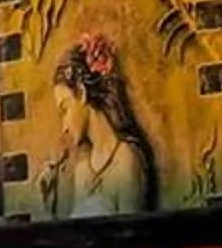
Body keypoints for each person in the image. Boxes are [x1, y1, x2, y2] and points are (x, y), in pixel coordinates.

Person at [39, 30, 160, 219]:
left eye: (65, 109)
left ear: (81, 92)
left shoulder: (126, 161)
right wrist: (49, 207)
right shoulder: (82, 171)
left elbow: (132, 240)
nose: (64, 126)